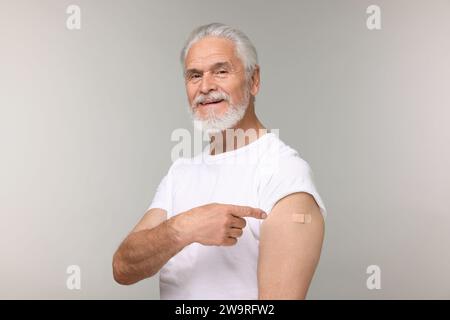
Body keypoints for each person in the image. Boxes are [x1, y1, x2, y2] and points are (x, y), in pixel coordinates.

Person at [113, 23, 327, 299]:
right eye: (194, 75)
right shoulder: (181, 172)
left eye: (221, 71)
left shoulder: (284, 174)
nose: (205, 87)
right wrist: (184, 228)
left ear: (254, 80)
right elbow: (123, 268)